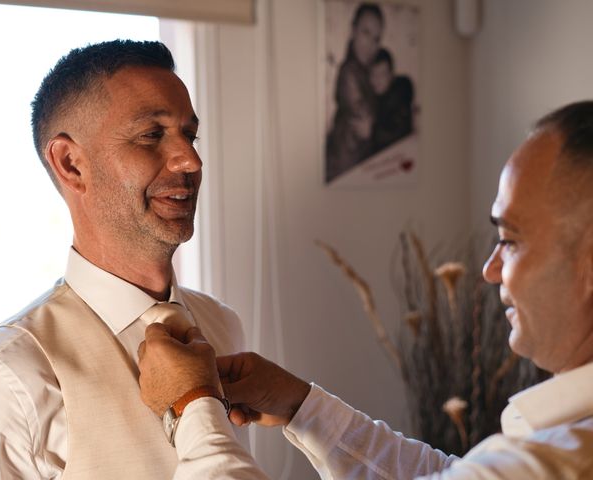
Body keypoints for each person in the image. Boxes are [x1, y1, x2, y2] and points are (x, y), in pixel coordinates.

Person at [138, 100, 593, 478]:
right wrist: (302, 407)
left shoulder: (554, 463)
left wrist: (192, 404)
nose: (491, 270)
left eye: (510, 240)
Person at [0, 40, 248, 478]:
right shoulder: (8, 376)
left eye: (189, 133)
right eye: (152, 134)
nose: (191, 159)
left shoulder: (224, 326)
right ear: (71, 163)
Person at [326, 3, 386, 182]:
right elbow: (366, 124)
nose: (371, 45)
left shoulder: (366, 72)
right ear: (353, 31)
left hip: (356, 167)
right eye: (365, 33)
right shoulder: (349, 72)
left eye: (376, 39)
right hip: (343, 168)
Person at [368, 48, 414, 154]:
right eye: (373, 74)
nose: (377, 79)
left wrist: (371, 131)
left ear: (391, 75)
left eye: (382, 74)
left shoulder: (400, 95)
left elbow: (398, 133)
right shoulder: (375, 96)